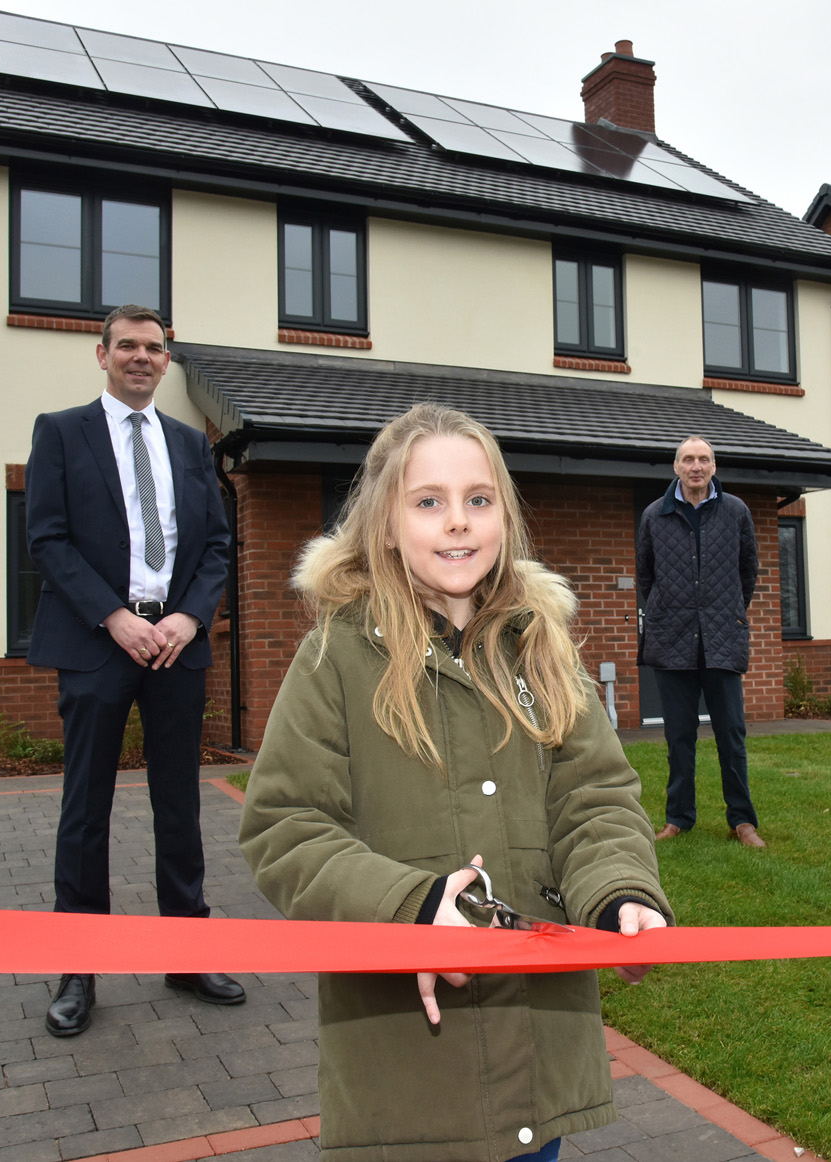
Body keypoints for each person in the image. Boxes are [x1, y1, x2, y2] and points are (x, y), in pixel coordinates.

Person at [239, 403, 671, 1162]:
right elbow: (285, 825)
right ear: (384, 523)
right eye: (429, 502)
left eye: (479, 500)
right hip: (407, 1071)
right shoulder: (333, 659)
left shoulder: (541, 651)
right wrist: (408, 906)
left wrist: (620, 892)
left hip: (539, 1056)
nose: (459, 523)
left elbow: (594, 797)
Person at [25, 304, 244, 1036]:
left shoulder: (189, 443)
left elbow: (215, 543)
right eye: (128, 346)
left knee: (179, 803)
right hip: (97, 640)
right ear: (102, 354)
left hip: (176, 644)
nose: (142, 357)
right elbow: (47, 539)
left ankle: (186, 954)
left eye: (154, 348)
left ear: (166, 360)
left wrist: (186, 616)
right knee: (85, 810)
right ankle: (77, 970)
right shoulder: (61, 432)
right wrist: (115, 617)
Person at [636, 436, 764, 848]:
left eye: (704, 459)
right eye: (688, 459)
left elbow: (748, 571)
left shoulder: (736, 512)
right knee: (679, 736)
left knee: (731, 734)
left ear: (714, 466)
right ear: (676, 467)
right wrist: (672, 609)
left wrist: (724, 610)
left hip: (722, 638)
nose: (696, 466)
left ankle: (742, 821)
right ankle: (678, 819)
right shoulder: (655, 516)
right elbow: (646, 576)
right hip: (671, 639)